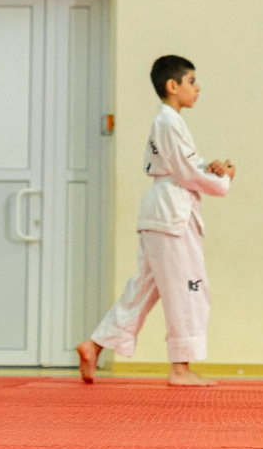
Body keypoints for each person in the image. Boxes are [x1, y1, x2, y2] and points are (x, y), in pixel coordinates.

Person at [77, 55, 235, 386]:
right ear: (172, 86)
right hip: (172, 215)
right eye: (191, 82)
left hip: (160, 211)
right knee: (189, 287)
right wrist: (223, 181)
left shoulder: (166, 123)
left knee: (144, 288)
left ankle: (95, 344)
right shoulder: (169, 122)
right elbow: (186, 172)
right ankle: (180, 367)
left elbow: (184, 165)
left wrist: (209, 167)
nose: (197, 88)